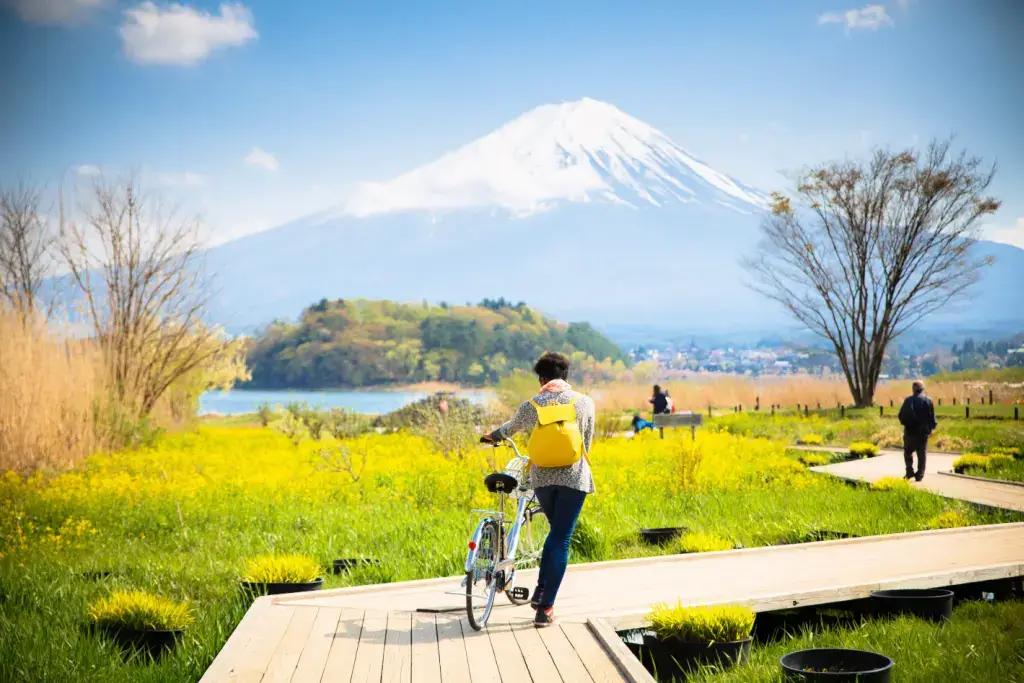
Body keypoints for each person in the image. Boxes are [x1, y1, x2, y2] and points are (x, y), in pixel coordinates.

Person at [481, 351, 595, 628]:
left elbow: (510, 429)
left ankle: (542, 590)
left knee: (556, 536)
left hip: (542, 478)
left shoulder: (531, 404)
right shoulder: (584, 402)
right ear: (565, 376)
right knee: (561, 538)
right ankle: (545, 607)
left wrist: (491, 436)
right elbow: (587, 442)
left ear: (542, 378)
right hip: (574, 478)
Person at [898, 379, 937, 481]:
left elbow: (901, 416)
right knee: (921, 453)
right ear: (922, 389)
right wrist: (931, 428)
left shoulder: (907, 401)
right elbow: (932, 417)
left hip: (909, 431)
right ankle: (919, 474)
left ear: (913, 389)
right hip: (923, 433)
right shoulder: (928, 400)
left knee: (907, 452)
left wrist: (905, 424)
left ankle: (909, 471)